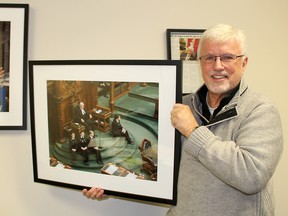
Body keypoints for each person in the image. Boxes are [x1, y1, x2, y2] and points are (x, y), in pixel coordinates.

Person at [82, 24, 283, 216]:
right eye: (209, 58)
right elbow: (165, 163)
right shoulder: (183, 104)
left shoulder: (260, 110)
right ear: (200, 62)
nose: (218, 66)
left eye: (228, 57)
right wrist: (116, 185)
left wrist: (193, 131)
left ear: (244, 63)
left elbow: (251, 176)